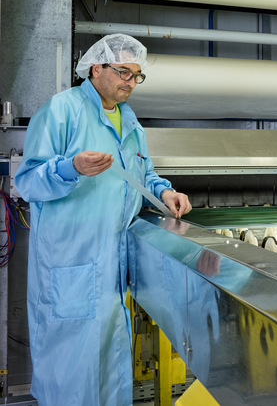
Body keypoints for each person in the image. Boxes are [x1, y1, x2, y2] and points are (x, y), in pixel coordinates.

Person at [14, 34, 192, 406]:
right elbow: (27, 182)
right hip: (71, 265)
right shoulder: (62, 110)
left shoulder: (130, 121)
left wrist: (165, 193)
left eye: (136, 76)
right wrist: (70, 167)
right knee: (71, 377)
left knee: (109, 374)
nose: (129, 82)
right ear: (97, 68)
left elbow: (144, 173)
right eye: (123, 72)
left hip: (112, 266)